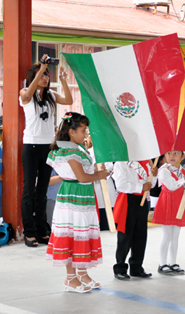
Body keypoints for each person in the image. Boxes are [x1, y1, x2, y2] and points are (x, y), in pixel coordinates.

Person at [46, 112, 109, 293]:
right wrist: (99, 175)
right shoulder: (70, 150)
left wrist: (97, 172)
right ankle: (70, 278)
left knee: (82, 232)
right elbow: (81, 177)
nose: (86, 134)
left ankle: (81, 272)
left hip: (83, 195)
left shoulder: (78, 148)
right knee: (72, 234)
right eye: (83, 130)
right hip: (74, 195)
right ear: (72, 132)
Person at [19, 55, 73, 247]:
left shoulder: (50, 96)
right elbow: (27, 95)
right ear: (33, 77)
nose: (45, 78)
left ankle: (43, 231)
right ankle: (29, 232)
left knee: (42, 190)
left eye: (47, 75)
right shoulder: (25, 93)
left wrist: (64, 80)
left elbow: (68, 98)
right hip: (31, 146)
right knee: (29, 190)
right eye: (42, 74)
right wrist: (41, 66)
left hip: (47, 147)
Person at [112, 159, 158, 280]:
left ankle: (136, 266)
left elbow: (150, 184)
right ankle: (120, 268)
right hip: (127, 200)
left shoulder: (147, 162)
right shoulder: (121, 163)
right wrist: (140, 187)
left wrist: (154, 175)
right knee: (125, 236)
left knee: (141, 235)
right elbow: (121, 185)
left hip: (142, 200)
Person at [152, 150, 185, 275]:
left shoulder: (184, 171)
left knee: (175, 236)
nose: (172, 156)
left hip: (179, 205)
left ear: (183, 156)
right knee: (167, 235)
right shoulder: (163, 170)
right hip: (167, 204)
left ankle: (173, 262)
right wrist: (184, 179)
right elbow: (171, 186)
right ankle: (162, 263)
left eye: (176, 153)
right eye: (169, 153)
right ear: (164, 156)